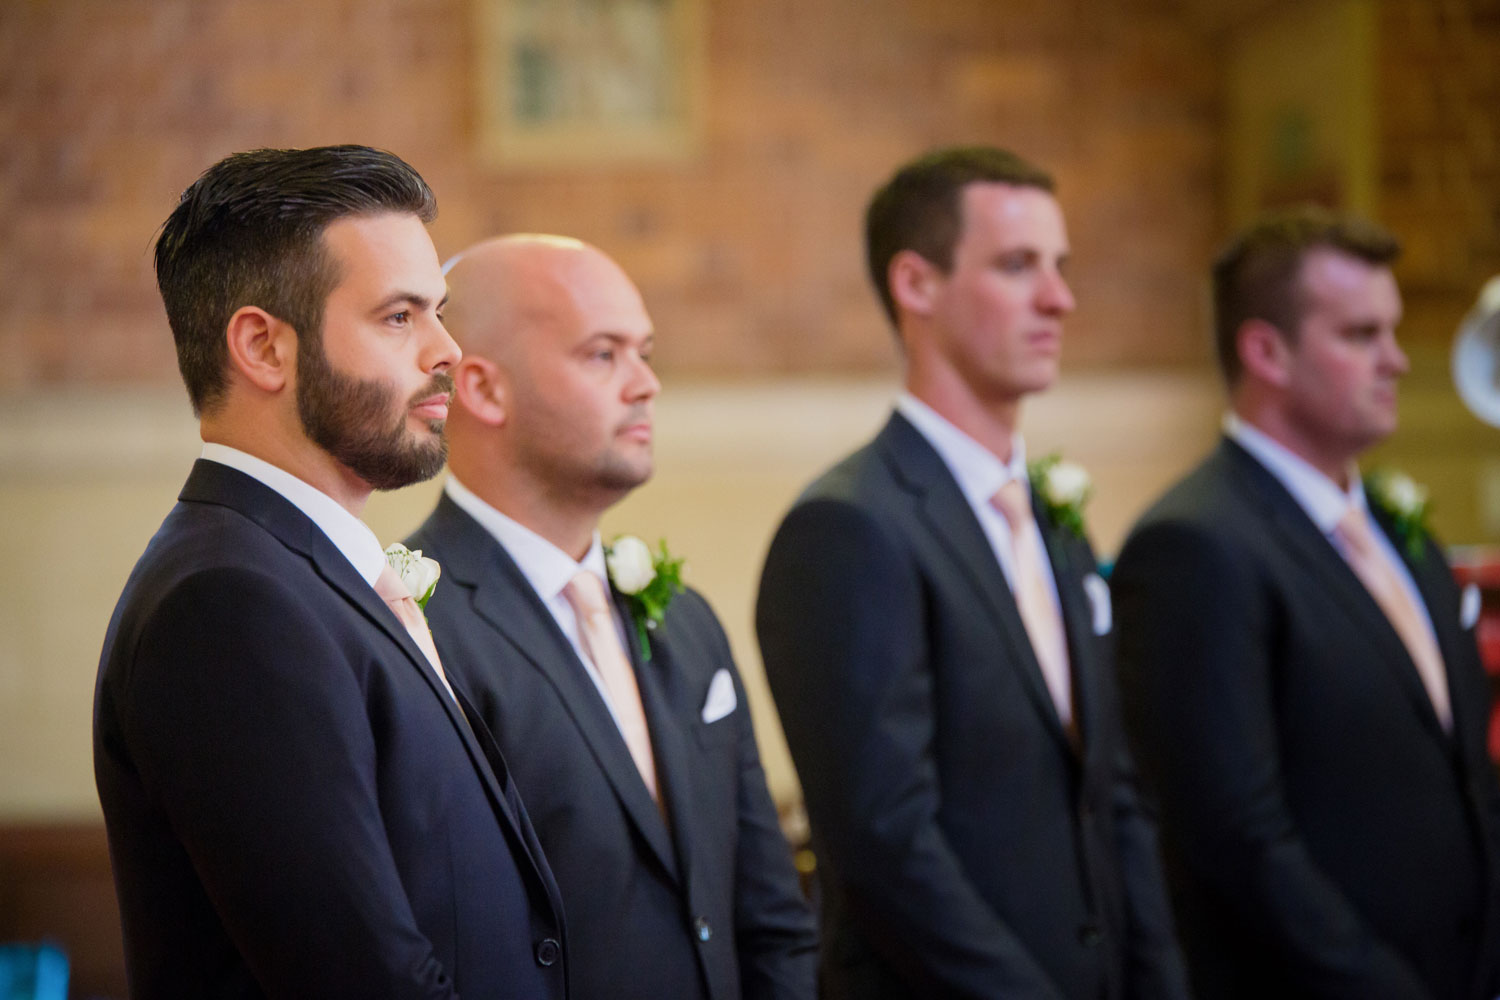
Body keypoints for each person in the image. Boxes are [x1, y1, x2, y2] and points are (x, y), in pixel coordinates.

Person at [93, 146, 567, 999]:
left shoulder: (298, 574)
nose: (448, 351)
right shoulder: (228, 605)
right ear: (263, 348)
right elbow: (364, 981)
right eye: (399, 317)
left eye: (441, 313)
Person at [754, 146, 1190, 999]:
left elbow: (1115, 794)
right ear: (917, 284)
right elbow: (886, 843)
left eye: (1060, 268)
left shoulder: (1055, 522)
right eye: (1019, 266)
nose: (1060, 298)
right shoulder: (849, 527)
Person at [405, 234, 818, 1000]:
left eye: (646, 352)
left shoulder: (684, 618)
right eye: (604, 355)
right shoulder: (410, 627)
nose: (647, 385)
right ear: (483, 391)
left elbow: (768, 915)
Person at [1111, 205, 1500, 999]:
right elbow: (1237, 838)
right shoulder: (1196, 544)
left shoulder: (1401, 533)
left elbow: (1465, 780)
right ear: (1266, 351)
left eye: (1392, 332)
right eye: (1361, 336)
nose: (1397, 361)